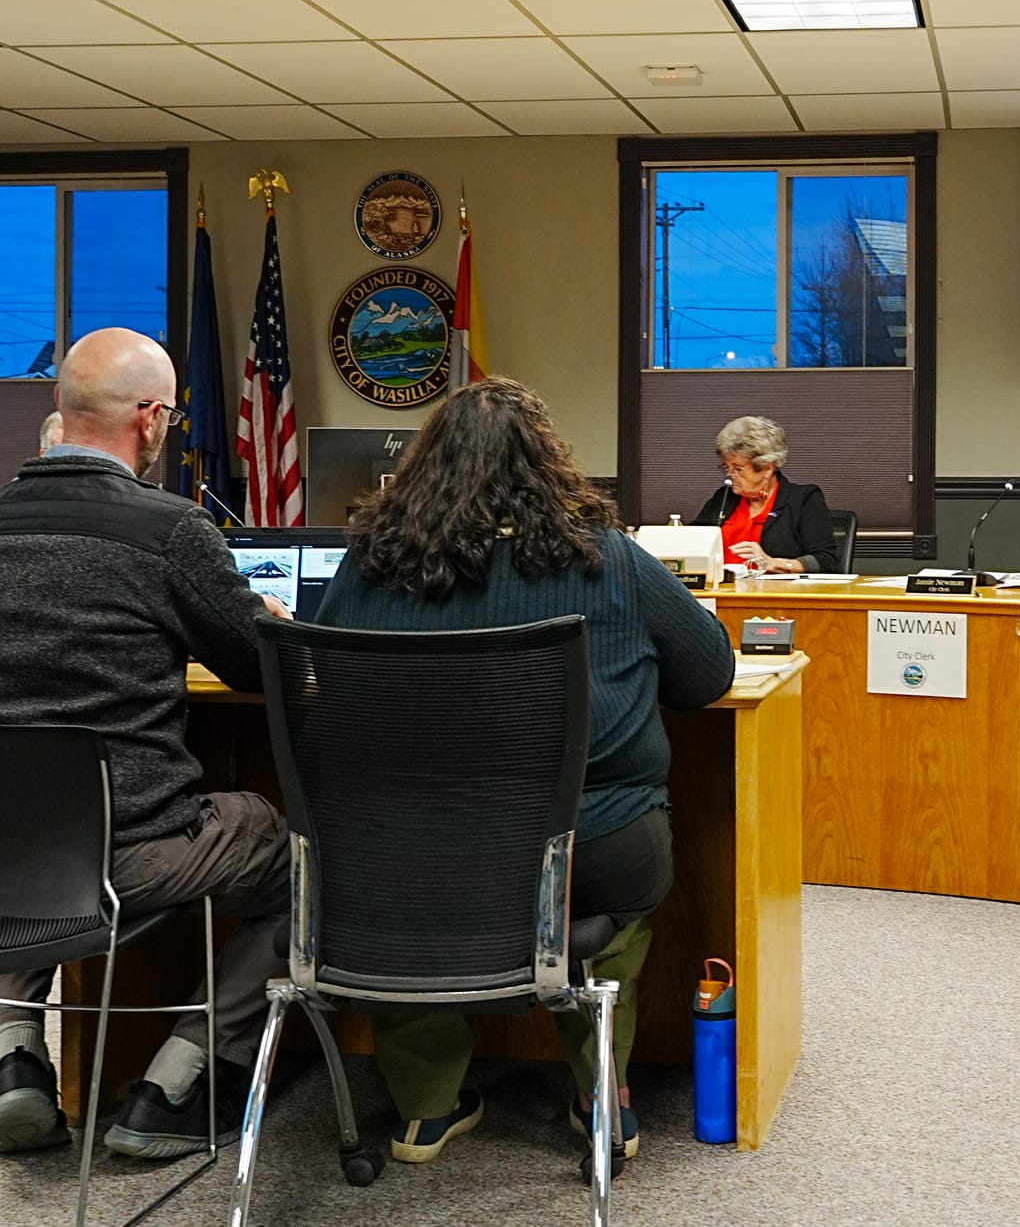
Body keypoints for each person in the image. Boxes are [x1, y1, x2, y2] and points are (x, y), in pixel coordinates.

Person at [314, 377, 734, 1168]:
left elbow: (321, 674)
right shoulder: (605, 555)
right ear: (549, 464)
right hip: (589, 849)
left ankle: (424, 1110)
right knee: (610, 893)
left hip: (400, 852)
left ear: (424, 465)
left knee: (414, 886)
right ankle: (600, 1093)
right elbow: (709, 675)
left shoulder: (369, 560)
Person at [0, 327, 293, 1159]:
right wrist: (274, 625)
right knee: (305, 856)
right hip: (130, 850)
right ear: (150, 418)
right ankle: (176, 1079)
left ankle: (19, 1059)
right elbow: (253, 660)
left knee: (30, 831)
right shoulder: (167, 528)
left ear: (60, 412)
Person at [691, 415, 837, 574]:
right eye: (727, 467)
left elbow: (825, 561)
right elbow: (694, 543)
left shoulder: (804, 499)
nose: (729, 474)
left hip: (774, 594)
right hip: (720, 592)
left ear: (767, 468)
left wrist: (772, 563)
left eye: (738, 468)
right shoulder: (723, 498)